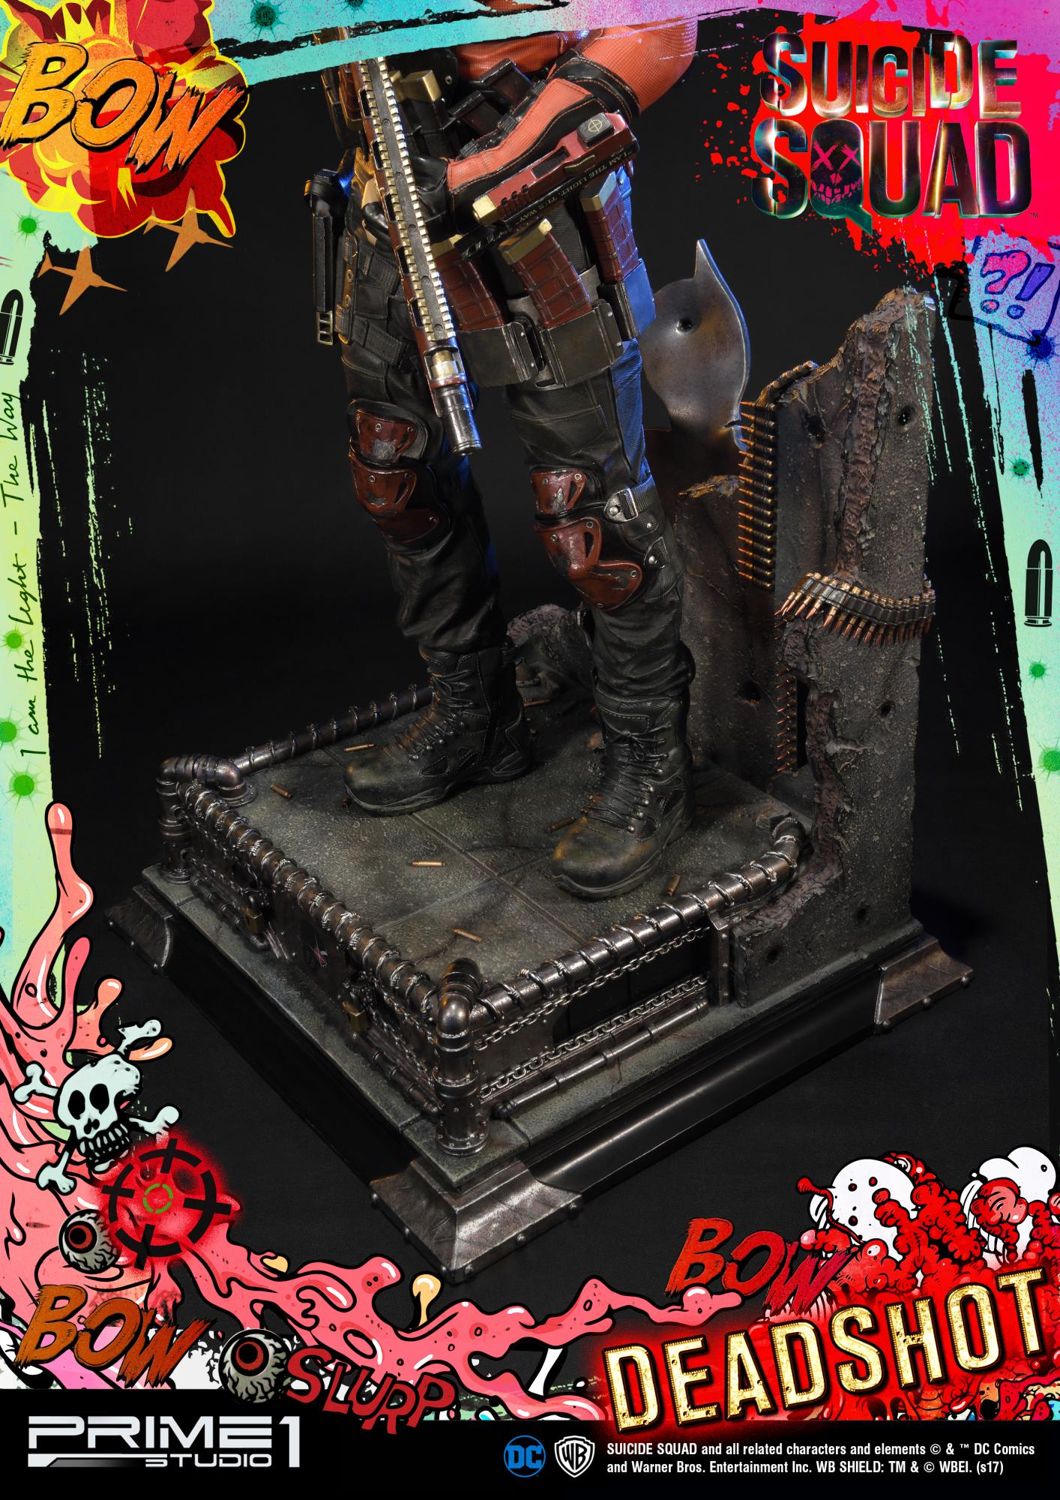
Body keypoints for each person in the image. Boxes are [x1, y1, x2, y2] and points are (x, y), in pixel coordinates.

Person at [320, 17, 699, 900]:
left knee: (596, 527)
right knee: (395, 475)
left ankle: (649, 767)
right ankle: (475, 717)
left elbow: (662, 30)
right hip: (392, 207)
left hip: (536, 217)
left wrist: (479, 175)